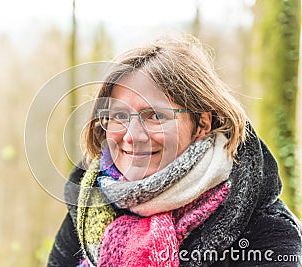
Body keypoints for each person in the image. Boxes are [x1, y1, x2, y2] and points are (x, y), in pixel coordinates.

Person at [47, 34, 302, 266]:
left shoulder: (266, 230)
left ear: (201, 122)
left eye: (155, 116)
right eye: (118, 116)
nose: (132, 136)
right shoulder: (89, 208)